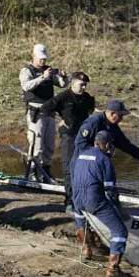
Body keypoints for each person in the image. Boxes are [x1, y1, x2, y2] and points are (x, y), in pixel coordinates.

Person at [71, 99, 139, 232]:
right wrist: (96, 157)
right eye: (121, 115)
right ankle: (83, 227)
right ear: (112, 113)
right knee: (82, 194)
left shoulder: (113, 127)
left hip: (98, 163)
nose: (122, 119)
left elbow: (125, 145)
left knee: (98, 194)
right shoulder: (93, 122)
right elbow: (80, 144)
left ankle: (99, 222)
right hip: (83, 164)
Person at [72, 131, 130, 277]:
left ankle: (86, 251)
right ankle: (113, 269)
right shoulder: (105, 159)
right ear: (106, 144)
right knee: (120, 231)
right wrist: (119, 210)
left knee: (81, 221)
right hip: (93, 200)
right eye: (110, 145)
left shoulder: (81, 155)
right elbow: (110, 190)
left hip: (76, 198)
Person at [40, 71, 95, 210]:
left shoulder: (87, 98)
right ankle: (70, 200)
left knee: (84, 167)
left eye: (85, 85)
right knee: (69, 168)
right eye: (81, 84)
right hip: (69, 136)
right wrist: (59, 120)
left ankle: (84, 197)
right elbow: (45, 108)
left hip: (83, 136)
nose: (84, 87)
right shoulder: (63, 97)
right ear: (73, 82)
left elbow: (90, 112)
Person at [19, 43, 68, 181]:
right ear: (33, 56)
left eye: (44, 59)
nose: (43, 61)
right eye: (40, 58)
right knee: (37, 144)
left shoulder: (49, 70)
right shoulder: (27, 71)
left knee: (49, 145)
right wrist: (43, 77)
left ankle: (46, 170)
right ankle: (33, 171)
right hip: (36, 113)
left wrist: (64, 77)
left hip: (49, 113)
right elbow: (26, 86)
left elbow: (62, 84)